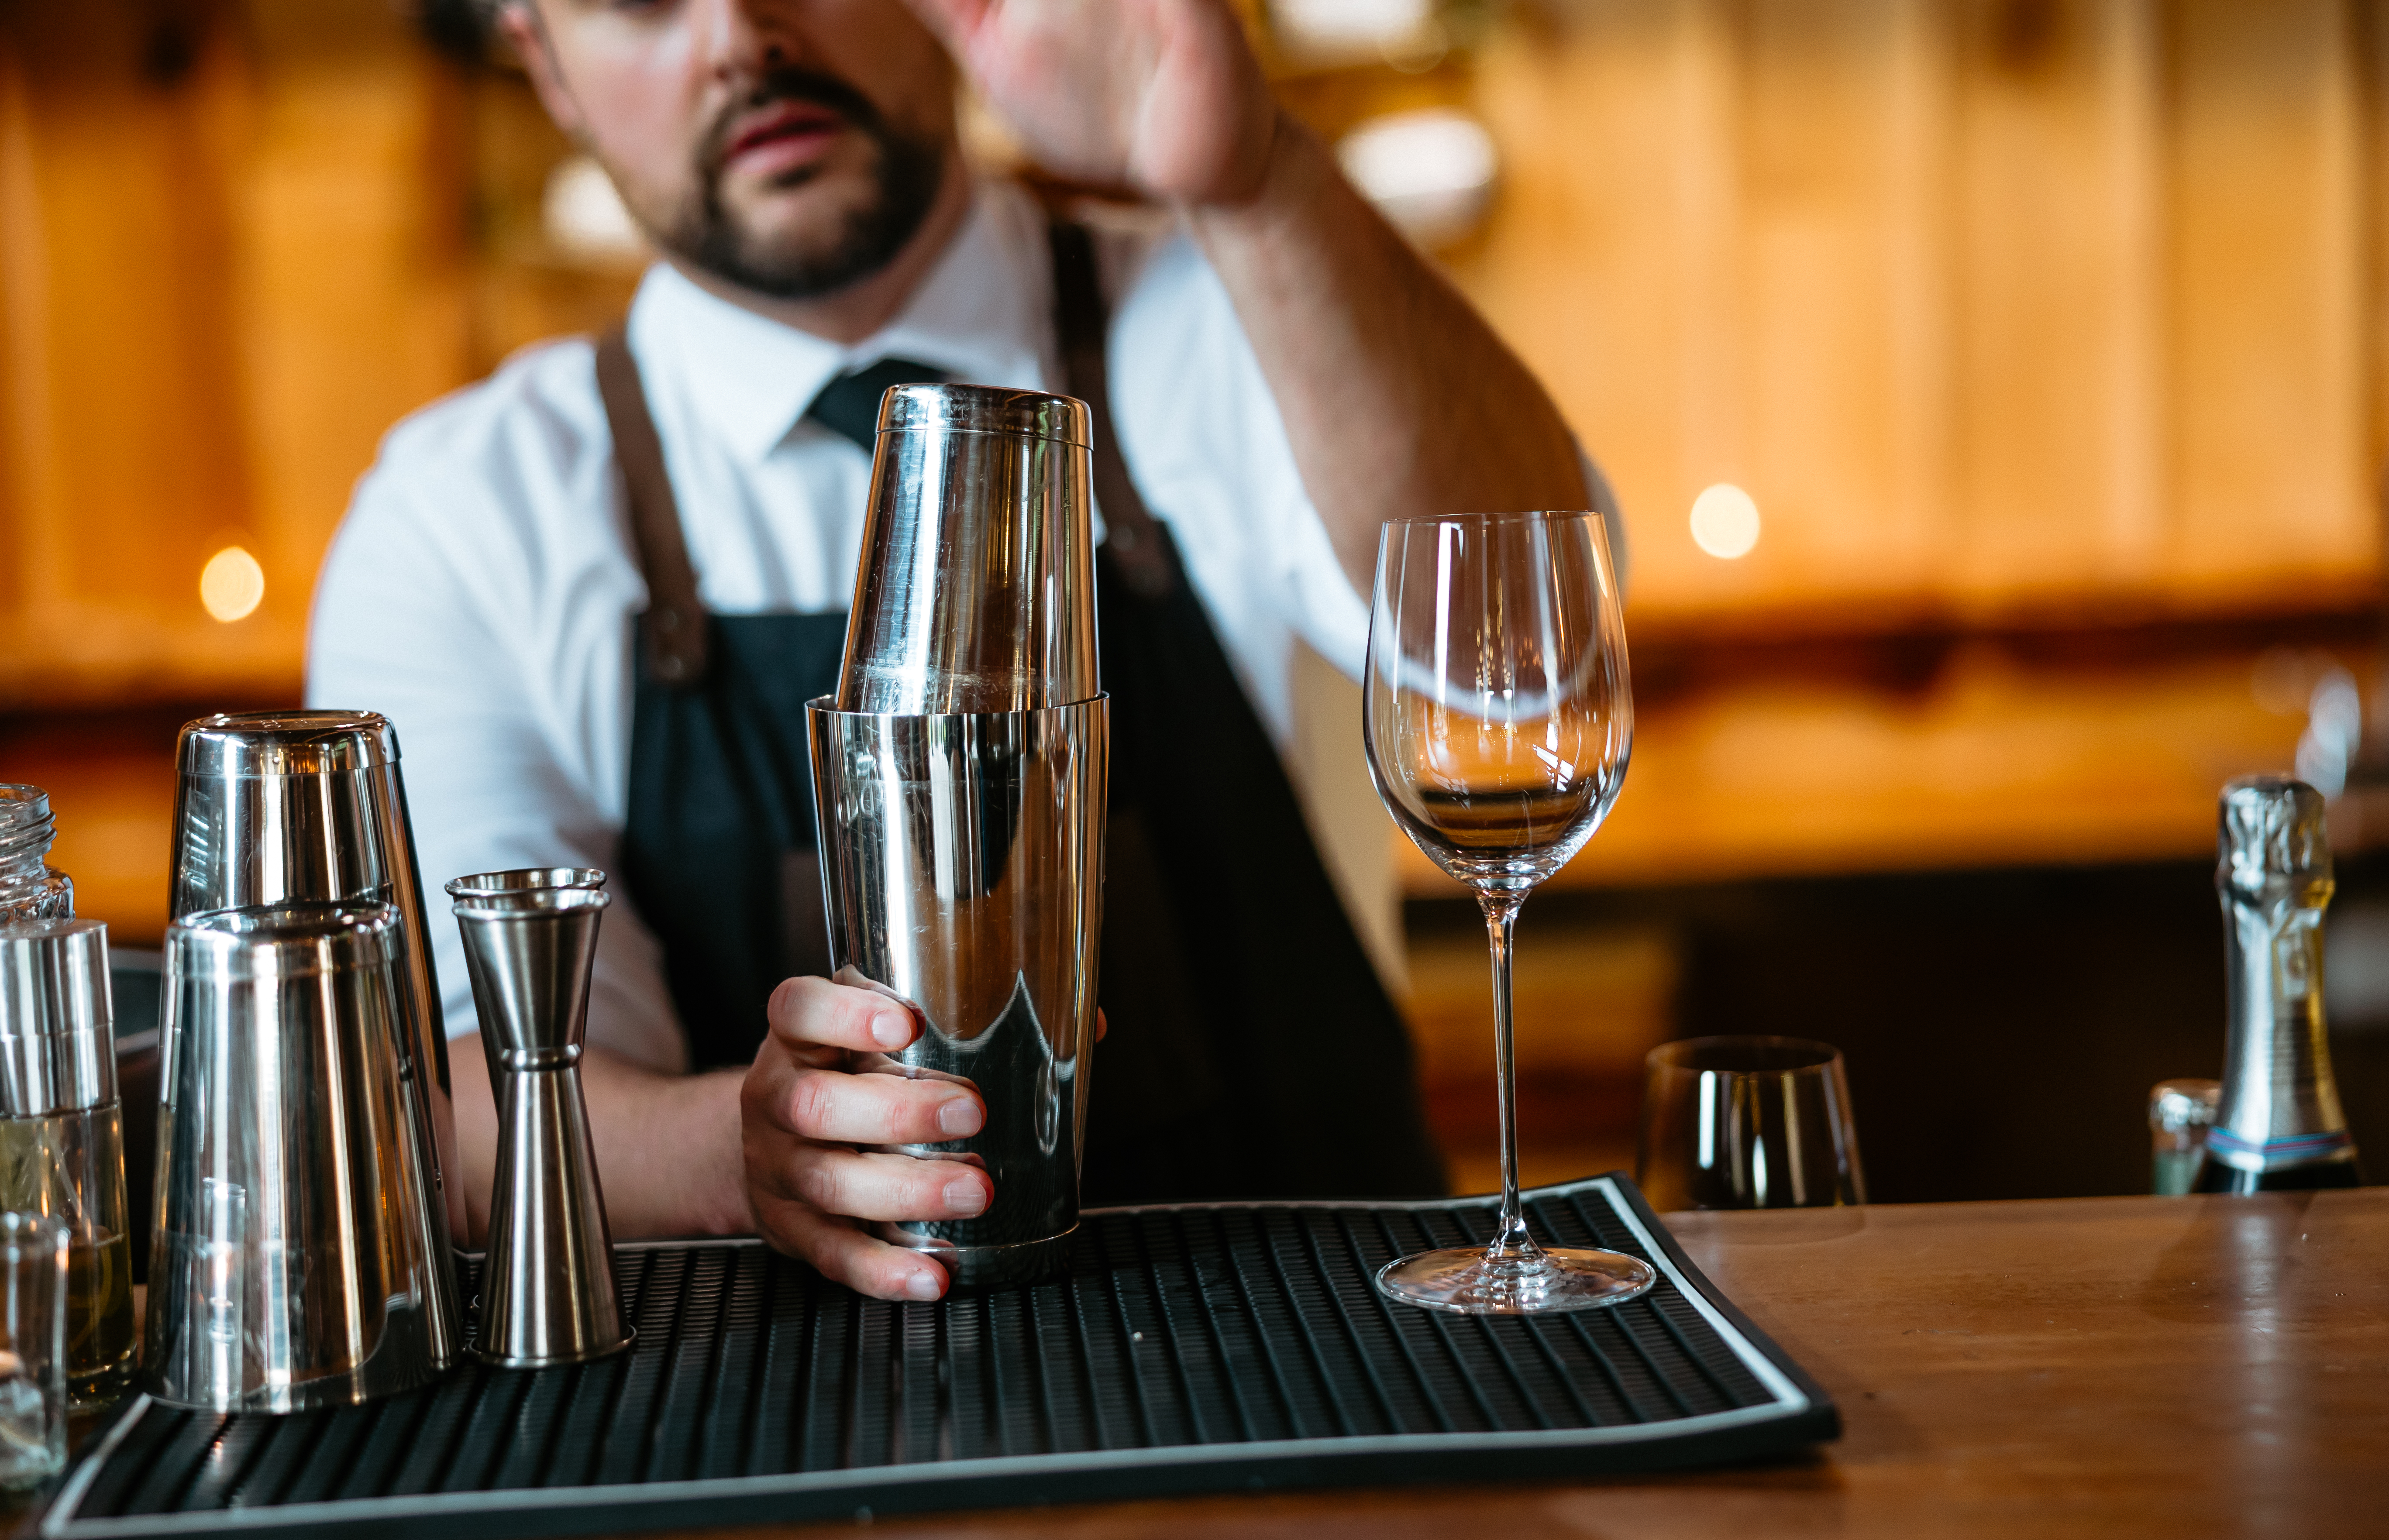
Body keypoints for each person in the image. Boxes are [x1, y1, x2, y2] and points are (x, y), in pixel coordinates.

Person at [311, 0, 1613, 1303]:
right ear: (544, 63)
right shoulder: (462, 515)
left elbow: (1531, 655)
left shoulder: (1230, 306)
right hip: (777, 1433)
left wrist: (1258, 184)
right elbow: (466, 1100)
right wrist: (744, 1152)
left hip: (1337, 1358)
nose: (742, 36)